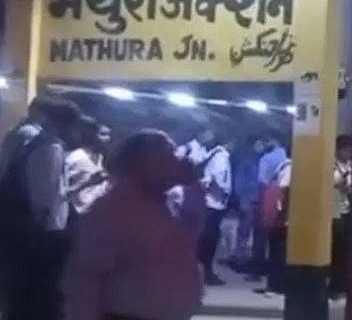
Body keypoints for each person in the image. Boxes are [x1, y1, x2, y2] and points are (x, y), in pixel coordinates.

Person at [61, 130, 206, 320]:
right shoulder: (113, 209)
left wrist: (193, 185)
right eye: (166, 158)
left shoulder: (165, 203)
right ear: (140, 163)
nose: (175, 163)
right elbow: (85, 278)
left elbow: (188, 241)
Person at [0, 95, 82, 320]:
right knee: (39, 302)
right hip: (39, 239)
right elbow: (46, 201)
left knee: (17, 299)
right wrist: (53, 241)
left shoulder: (18, 138)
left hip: (14, 231)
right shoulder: (49, 146)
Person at [248, 137, 288, 280]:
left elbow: (261, 181)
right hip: (283, 201)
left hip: (267, 199)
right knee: (276, 238)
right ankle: (274, 269)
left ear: (270, 140)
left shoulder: (266, 158)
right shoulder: (286, 157)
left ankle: (257, 270)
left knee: (261, 236)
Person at [196, 132, 232, 285]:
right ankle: (206, 273)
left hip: (209, 202)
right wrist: (224, 192)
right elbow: (218, 177)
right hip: (214, 203)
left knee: (206, 240)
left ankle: (202, 272)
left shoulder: (213, 155)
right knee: (209, 242)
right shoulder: (221, 157)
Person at [65, 117, 112, 221]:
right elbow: (60, 191)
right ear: (91, 135)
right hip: (74, 214)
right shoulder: (76, 158)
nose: (108, 138)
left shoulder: (100, 157)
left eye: (109, 135)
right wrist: (89, 182)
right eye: (103, 134)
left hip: (91, 214)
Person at [230, 135, 265, 266]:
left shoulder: (260, 159)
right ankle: (239, 257)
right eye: (259, 144)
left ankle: (252, 258)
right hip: (248, 199)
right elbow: (238, 181)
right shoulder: (247, 160)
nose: (261, 147)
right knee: (244, 229)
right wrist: (241, 199)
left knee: (257, 231)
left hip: (258, 199)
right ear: (254, 144)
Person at [330, 135, 352, 298]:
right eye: (346, 149)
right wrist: (343, 179)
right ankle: (335, 285)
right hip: (335, 211)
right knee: (336, 249)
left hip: (347, 209)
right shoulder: (332, 165)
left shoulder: (350, 165)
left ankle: (343, 283)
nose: (349, 153)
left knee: (345, 249)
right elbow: (334, 182)